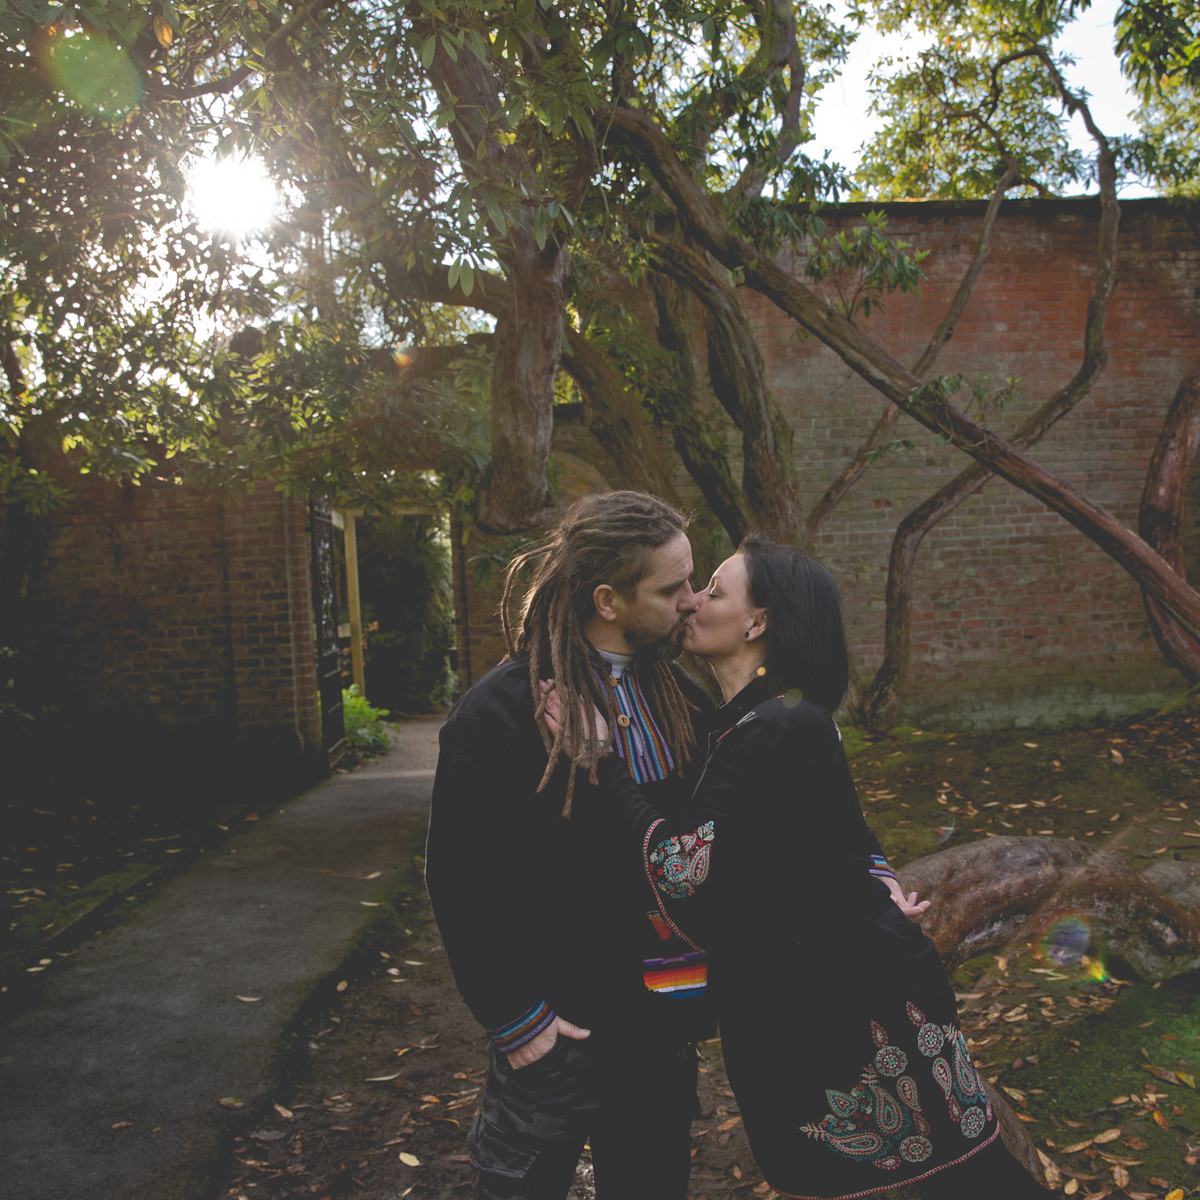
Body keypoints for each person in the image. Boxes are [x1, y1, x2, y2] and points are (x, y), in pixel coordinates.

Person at [564, 534, 1050, 1199]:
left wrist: (603, 763)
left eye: (715, 589)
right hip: (818, 995)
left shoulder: (780, 725)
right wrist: (876, 875)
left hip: (834, 1012)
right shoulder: (761, 721)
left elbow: (684, 869)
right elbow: (842, 829)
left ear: (757, 622)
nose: (694, 601)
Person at [424, 490, 718, 1200]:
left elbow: (688, 848)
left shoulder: (678, 695)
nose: (692, 600)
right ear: (608, 600)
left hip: (657, 1026)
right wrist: (517, 1020)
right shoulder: (500, 713)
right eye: (672, 587)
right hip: (558, 1030)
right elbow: (460, 880)